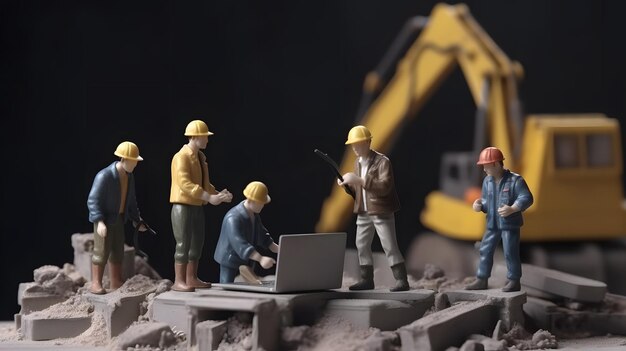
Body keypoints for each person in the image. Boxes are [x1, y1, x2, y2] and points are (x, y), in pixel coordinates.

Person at [338, 125, 409, 292]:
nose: (355, 147)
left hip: (381, 211)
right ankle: (366, 280)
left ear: (368, 142)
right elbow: (359, 191)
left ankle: (401, 280)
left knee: (389, 245)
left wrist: (359, 181)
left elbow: (384, 187)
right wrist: (347, 185)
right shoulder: (357, 163)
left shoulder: (382, 162)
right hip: (363, 211)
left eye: (358, 144)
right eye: (353, 145)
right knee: (361, 245)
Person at [170, 120, 233, 292]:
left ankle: (191, 278)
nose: (207, 140)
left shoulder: (200, 157)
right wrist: (209, 197)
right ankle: (179, 280)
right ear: (196, 136)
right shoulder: (181, 157)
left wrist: (218, 194)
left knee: (197, 243)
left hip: (197, 206)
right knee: (183, 243)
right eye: (205, 136)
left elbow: (205, 184)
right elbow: (185, 183)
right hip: (182, 207)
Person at [466, 146, 534, 292]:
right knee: (485, 250)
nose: (484, 169)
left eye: (486, 166)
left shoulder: (515, 181)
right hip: (492, 224)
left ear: (496, 164)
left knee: (510, 252)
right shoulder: (487, 182)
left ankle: (514, 281)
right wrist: (479, 204)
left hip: (509, 225)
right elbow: (486, 202)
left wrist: (513, 208)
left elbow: (527, 198)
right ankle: (481, 279)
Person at [87, 141, 147, 294]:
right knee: (101, 251)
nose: (136, 164)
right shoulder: (104, 176)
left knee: (117, 251)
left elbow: (131, 201)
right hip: (105, 221)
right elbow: (93, 200)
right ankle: (96, 283)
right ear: (124, 159)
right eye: (134, 161)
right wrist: (99, 222)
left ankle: (115, 281)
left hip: (119, 219)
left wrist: (136, 220)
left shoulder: (129, 177)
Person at [214, 181, 279, 283]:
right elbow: (239, 243)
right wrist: (260, 259)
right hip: (230, 258)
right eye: (261, 203)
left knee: (250, 285)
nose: (262, 206)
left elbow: (261, 233)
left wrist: (274, 246)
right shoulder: (233, 218)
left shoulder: (254, 215)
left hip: (246, 259)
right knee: (227, 286)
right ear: (251, 200)